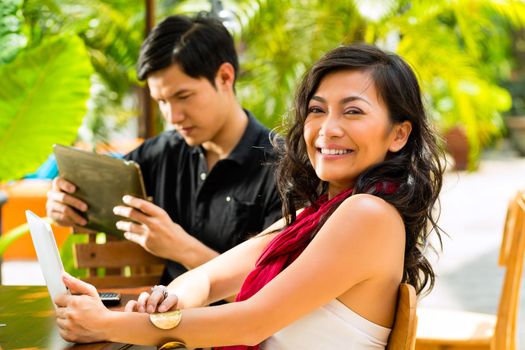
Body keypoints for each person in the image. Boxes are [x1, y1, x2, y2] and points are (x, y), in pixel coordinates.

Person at [54, 43, 445, 349]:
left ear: (399, 134)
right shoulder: (318, 213)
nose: (328, 129)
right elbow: (208, 279)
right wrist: (163, 302)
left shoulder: (368, 215)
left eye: (353, 112)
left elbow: (252, 321)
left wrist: (110, 324)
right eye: (317, 110)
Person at [45, 14, 282, 283]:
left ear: (225, 77)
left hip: (240, 322)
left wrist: (181, 248)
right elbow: (92, 190)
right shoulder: (162, 153)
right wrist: (62, 204)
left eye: (183, 96)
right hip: (162, 319)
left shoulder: (281, 168)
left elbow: (272, 293)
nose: (172, 116)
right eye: (161, 101)